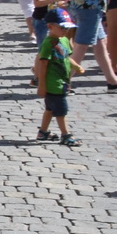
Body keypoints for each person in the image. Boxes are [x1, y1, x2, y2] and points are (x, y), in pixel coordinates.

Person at [33, 8, 83, 146]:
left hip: (63, 81)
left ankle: (43, 132)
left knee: (50, 109)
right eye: (62, 27)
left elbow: (66, 57)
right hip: (53, 83)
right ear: (50, 26)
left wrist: (76, 66)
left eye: (68, 28)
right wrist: (41, 84)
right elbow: (42, 63)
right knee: (61, 111)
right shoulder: (48, 44)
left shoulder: (64, 40)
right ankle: (65, 134)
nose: (66, 31)